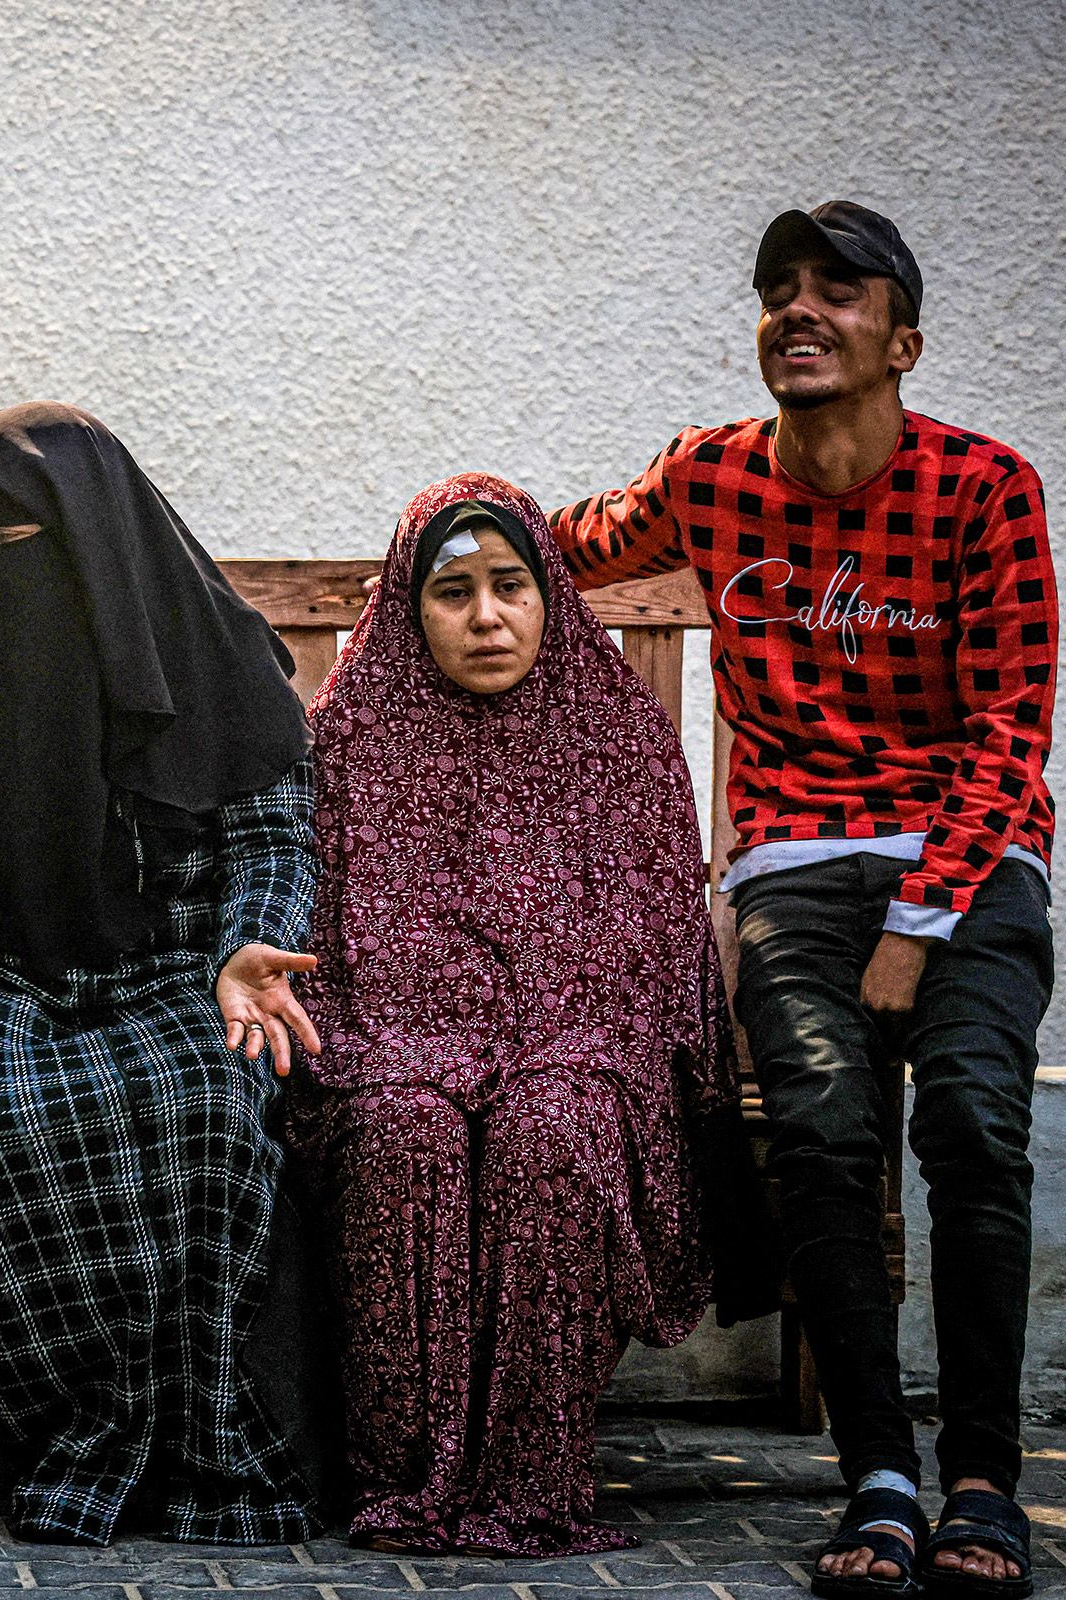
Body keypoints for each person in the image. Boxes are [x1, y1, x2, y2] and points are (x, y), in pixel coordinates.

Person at [553, 202, 1052, 1600]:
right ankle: (881, 1476)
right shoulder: (712, 476)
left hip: (977, 859)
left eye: (840, 289)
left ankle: (985, 1479)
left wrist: (923, 924)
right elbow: (570, 543)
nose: (800, 307)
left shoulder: (984, 487)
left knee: (971, 1122)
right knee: (825, 1136)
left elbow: (1017, 724)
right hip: (793, 864)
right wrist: (439, 541)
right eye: (779, 287)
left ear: (904, 340)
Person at [0, 401, 327, 1546]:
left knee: (208, 1114)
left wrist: (249, 942)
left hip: (173, 963)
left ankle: (194, 1437)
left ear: (96, 541)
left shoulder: (213, 654)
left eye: (26, 545)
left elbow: (275, 836)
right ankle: (83, 1426)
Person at [295, 473, 763, 1556]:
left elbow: (651, 944)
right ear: (410, 609)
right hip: (396, 1043)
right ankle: (404, 1477)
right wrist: (428, 1044)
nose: (488, 616)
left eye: (511, 585)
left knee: (553, 1127)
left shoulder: (616, 733)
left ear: (552, 594)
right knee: (400, 1127)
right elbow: (326, 936)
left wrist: (544, 1043)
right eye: (453, 593)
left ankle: (531, 1477)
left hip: (581, 1048)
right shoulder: (357, 735)